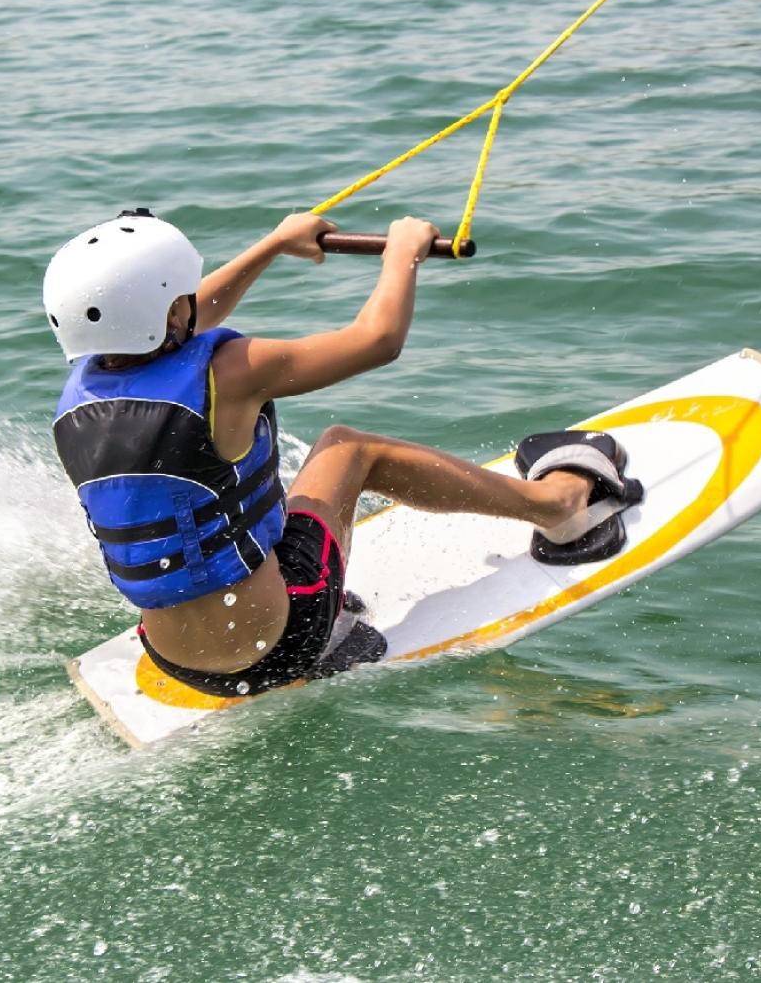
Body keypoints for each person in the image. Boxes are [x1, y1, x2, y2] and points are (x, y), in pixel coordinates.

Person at [44, 208, 641, 699]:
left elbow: (181, 318)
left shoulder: (76, 402)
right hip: (285, 643)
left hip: (177, 663)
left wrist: (276, 243)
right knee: (348, 449)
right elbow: (376, 342)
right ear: (171, 310)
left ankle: (289, 620)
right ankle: (559, 509)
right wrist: (402, 253)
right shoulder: (229, 373)